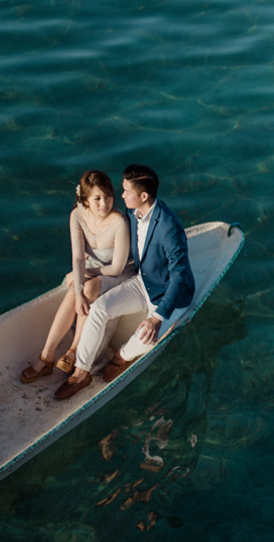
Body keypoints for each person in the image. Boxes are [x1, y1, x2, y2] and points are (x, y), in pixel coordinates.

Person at [55, 164, 196, 399]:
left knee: (146, 338)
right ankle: (81, 372)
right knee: (99, 309)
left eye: (126, 191)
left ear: (143, 196)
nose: (121, 196)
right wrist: (85, 268)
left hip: (169, 295)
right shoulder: (132, 213)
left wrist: (156, 318)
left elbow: (179, 277)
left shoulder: (169, 227)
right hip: (143, 282)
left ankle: (121, 355)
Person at [20, 170, 134, 383]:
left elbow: (117, 268)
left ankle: (72, 351)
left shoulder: (119, 222)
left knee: (86, 287)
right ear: (85, 200)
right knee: (77, 290)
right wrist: (80, 284)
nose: (104, 203)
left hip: (118, 273)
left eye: (108, 196)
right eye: (97, 198)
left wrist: (85, 275)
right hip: (92, 269)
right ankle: (48, 355)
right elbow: (78, 257)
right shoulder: (77, 215)